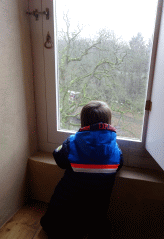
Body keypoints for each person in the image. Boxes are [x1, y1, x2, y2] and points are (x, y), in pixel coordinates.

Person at [40, 101, 123, 239]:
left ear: (83, 122)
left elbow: (59, 158)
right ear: (108, 122)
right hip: (96, 210)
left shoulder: (72, 141)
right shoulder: (115, 148)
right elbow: (119, 165)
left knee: (50, 223)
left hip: (66, 206)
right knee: (98, 222)